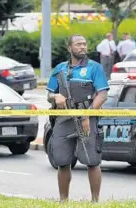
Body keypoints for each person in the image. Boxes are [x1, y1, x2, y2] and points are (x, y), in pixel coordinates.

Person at [46, 34, 109, 203]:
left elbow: (102, 94)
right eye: (78, 44)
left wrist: (88, 114)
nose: (82, 47)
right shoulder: (60, 68)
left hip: (86, 118)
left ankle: (95, 202)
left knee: (92, 161)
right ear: (69, 48)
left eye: (84, 44)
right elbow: (49, 94)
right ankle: (63, 201)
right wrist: (55, 96)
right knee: (62, 161)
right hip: (64, 119)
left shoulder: (94, 68)